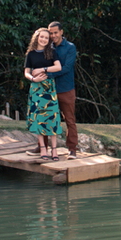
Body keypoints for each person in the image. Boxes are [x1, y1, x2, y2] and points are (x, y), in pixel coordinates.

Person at [23, 27, 62, 160]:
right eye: (42, 37)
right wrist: (33, 79)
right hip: (36, 88)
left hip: (49, 88)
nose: (44, 39)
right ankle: (43, 149)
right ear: (37, 37)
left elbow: (58, 67)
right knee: (38, 118)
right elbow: (26, 72)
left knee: (52, 117)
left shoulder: (51, 52)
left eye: (46, 38)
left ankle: (54, 150)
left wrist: (42, 69)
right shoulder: (31, 54)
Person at [47, 21, 79, 158]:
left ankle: (72, 149)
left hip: (66, 89)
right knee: (46, 118)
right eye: (51, 33)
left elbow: (66, 68)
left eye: (55, 32)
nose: (53, 35)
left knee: (69, 120)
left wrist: (48, 74)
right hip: (50, 89)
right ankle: (42, 147)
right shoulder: (47, 47)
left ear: (61, 32)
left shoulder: (70, 47)